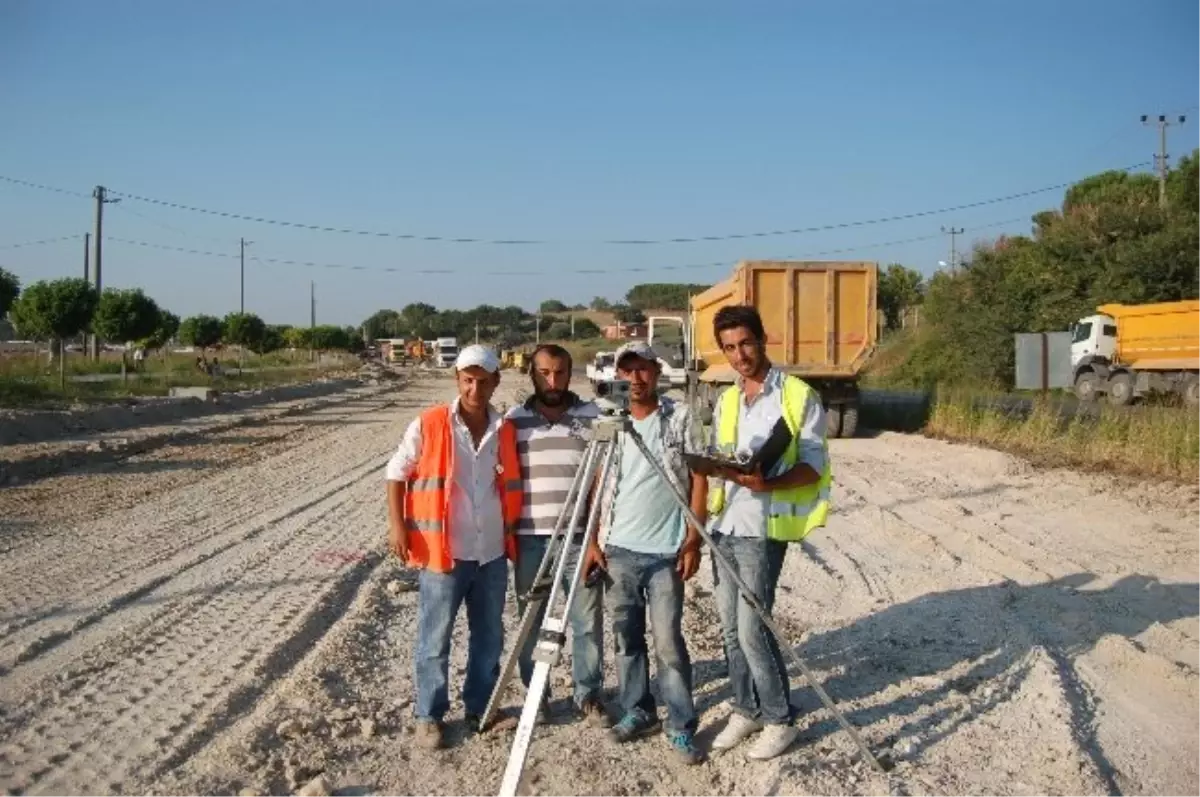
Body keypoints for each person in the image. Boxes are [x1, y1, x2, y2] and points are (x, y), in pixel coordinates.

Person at [704, 305, 832, 761]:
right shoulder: (727, 398)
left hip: (763, 529)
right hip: (725, 525)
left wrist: (768, 483)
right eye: (730, 348)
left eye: (746, 343)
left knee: (752, 627)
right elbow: (722, 455)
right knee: (727, 627)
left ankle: (779, 718)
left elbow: (814, 466)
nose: (740, 355)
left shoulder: (798, 397)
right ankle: (746, 708)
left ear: (762, 339)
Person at [384, 344, 522, 749]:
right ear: (457, 380)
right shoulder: (428, 424)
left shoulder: (506, 429)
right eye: (467, 380)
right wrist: (398, 527)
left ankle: (481, 708)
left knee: (489, 637)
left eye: (482, 381)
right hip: (443, 553)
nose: (474, 389)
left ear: (496, 381)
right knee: (434, 639)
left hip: (492, 552)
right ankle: (429, 715)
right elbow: (397, 472)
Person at [584, 340, 707, 765]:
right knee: (626, 638)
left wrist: (693, 538)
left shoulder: (680, 417)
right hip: (619, 549)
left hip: (666, 552)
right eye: (627, 370)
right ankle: (638, 709)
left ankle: (680, 723)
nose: (636, 378)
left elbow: (699, 478)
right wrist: (593, 541)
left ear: (657, 372)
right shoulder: (610, 423)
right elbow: (596, 483)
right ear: (617, 376)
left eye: (643, 369)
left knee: (669, 641)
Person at [504, 344, 608, 726]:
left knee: (586, 621)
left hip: (579, 538)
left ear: (570, 373)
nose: (553, 380)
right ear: (531, 374)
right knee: (530, 622)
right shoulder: (514, 421)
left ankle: (588, 694)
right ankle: (537, 695)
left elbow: (602, 477)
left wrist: (595, 536)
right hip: (531, 540)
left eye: (560, 372)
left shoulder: (592, 416)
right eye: (544, 373)